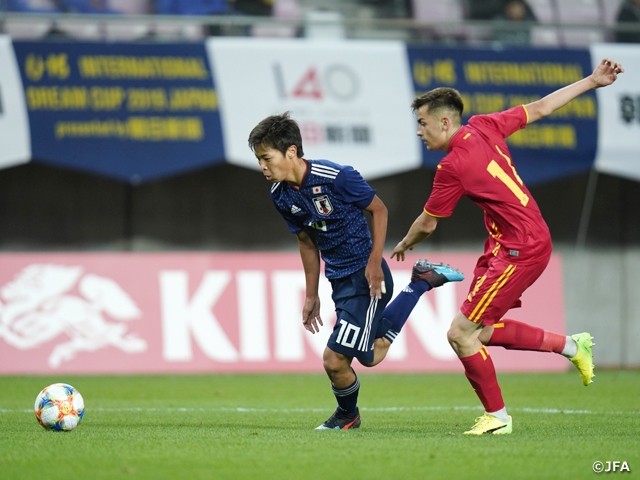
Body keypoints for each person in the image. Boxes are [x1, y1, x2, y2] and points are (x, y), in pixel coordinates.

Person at [391, 58, 624, 435]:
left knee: (459, 333)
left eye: (422, 123)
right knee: (479, 332)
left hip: (521, 248)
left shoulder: (452, 165)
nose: (419, 131)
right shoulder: (483, 125)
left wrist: (404, 242)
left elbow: (429, 222)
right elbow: (542, 107)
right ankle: (571, 346)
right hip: (509, 243)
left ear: (445, 122)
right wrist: (592, 81)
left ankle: (498, 418)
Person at [248, 112, 464, 430]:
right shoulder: (280, 195)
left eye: (266, 158)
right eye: (259, 160)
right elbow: (306, 242)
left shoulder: (335, 176)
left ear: (291, 151)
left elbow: (379, 209)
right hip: (338, 280)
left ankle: (348, 415)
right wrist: (311, 295)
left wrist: (375, 262)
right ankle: (420, 283)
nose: (263, 167)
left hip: (367, 277)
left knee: (335, 360)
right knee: (368, 354)